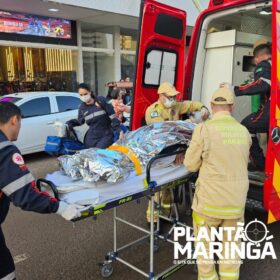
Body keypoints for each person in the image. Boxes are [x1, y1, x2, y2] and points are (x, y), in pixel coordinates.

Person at [0, 102, 81, 280]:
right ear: (14, 120)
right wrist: (61, 207)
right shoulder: (5, 149)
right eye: (20, 123)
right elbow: (25, 195)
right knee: (5, 272)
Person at [184, 88, 251, 280]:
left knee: (204, 246)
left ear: (212, 107)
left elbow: (190, 165)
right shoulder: (244, 131)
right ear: (232, 106)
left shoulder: (204, 129)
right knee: (231, 246)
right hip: (235, 203)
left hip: (209, 203)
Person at [145, 82, 210, 223]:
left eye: (174, 97)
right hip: (160, 153)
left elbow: (190, 105)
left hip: (173, 151)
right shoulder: (153, 111)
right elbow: (165, 131)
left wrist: (202, 107)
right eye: (169, 97)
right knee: (159, 189)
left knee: (169, 187)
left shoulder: (174, 106)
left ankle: (166, 214)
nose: (173, 100)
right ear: (161, 96)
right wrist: (189, 122)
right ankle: (153, 219)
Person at [221, 39, 271, 171]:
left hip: (272, 108)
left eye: (255, 59)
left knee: (245, 126)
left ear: (258, 57)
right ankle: (270, 165)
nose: (255, 62)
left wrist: (234, 89)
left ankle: (259, 164)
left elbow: (263, 84)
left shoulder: (264, 64)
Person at [67, 83, 122, 149]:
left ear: (90, 92)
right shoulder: (82, 108)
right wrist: (68, 124)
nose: (83, 96)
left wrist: (119, 130)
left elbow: (112, 116)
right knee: (89, 154)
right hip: (91, 137)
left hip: (106, 134)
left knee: (98, 153)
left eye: (85, 94)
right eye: (81, 95)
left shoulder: (100, 100)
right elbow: (80, 121)